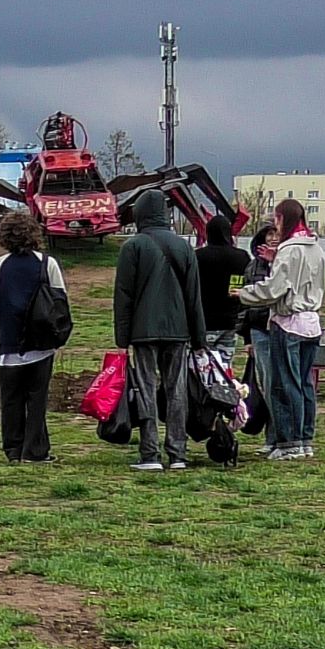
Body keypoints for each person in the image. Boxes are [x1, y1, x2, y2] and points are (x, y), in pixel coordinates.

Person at [114, 189, 206, 472]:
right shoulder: (184, 247)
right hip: (179, 330)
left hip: (143, 331)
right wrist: (199, 338)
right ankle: (178, 453)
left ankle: (150, 453)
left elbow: (124, 296)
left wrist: (122, 339)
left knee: (145, 389)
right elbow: (193, 296)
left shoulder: (132, 247)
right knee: (176, 390)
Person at [238, 199, 325, 461]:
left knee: (284, 385)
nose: (275, 225)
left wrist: (244, 294)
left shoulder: (289, 250)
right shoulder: (315, 248)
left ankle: (289, 442)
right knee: (305, 384)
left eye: (276, 219)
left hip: (288, 322)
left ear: (283, 219)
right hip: (311, 322)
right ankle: (305, 439)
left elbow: (274, 290)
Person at [0, 211, 67, 463]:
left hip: (9, 346)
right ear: (34, 233)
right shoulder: (47, 263)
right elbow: (60, 305)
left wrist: (0, 336)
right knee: (37, 400)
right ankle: (35, 451)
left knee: (11, 401)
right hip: (41, 345)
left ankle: (13, 450)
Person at [240, 226, 281, 455]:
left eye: (277, 235)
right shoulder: (252, 266)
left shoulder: (286, 263)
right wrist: (247, 337)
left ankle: (282, 436)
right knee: (266, 384)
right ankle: (271, 437)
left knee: (279, 384)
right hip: (258, 330)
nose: (273, 239)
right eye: (269, 235)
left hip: (281, 326)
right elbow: (245, 303)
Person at [196, 215, 250, 362]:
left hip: (204, 321)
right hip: (230, 320)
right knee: (224, 366)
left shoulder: (198, 256)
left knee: (202, 366)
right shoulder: (242, 257)